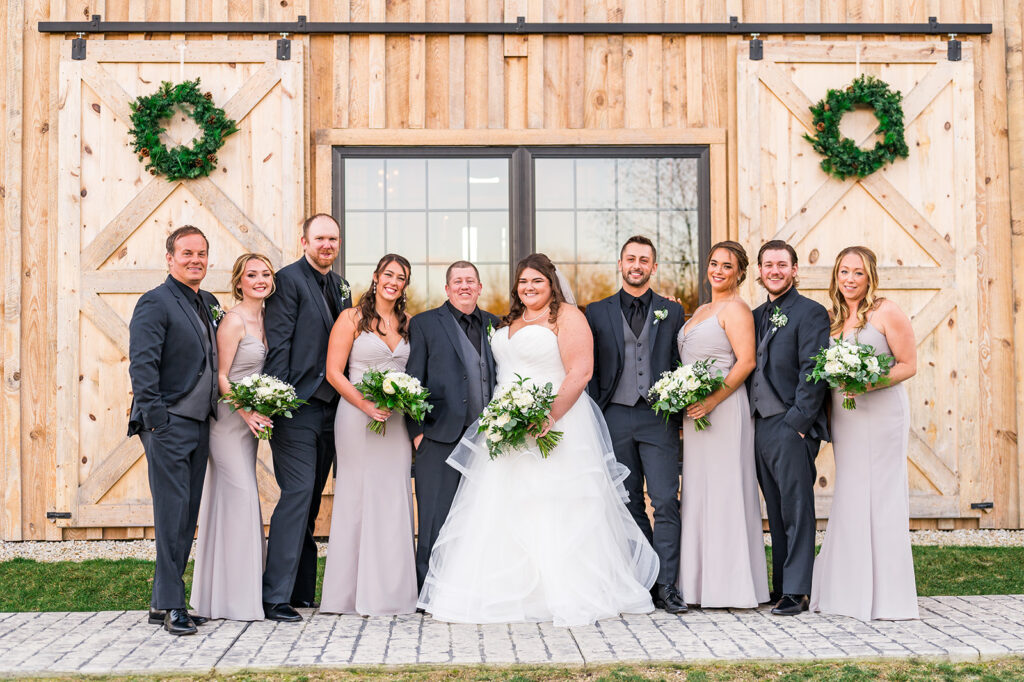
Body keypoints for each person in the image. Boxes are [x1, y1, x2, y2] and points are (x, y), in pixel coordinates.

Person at [418, 253, 659, 627]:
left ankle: (558, 590)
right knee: (503, 504)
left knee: (553, 503)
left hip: (556, 424)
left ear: (552, 284)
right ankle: (506, 588)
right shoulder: (509, 320)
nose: (529, 288)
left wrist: (548, 415)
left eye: (538, 282)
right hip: (506, 425)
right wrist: (509, 415)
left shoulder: (567, 317)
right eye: (524, 282)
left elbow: (581, 371)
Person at [810, 246, 919, 620]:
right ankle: (848, 590)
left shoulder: (886, 311)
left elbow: (908, 365)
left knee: (883, 494)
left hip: (883, 412)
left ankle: (888, 596)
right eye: (844, 272)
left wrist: (869, 384)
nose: (850, 279)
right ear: (835, 277)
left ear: (870, 276)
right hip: (847, 415)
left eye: (857, 273)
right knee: (853, 492)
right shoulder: (833, 319)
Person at [585, 235, 687, 614]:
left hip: (657, 417)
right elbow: (589, 365)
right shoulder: (596, 311)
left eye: (644, 259)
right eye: (631, 258)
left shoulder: (672, 311)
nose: (637, 265)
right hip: (615, 415)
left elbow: (679, 362)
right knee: (627, 504)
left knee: (664, 500)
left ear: (654, 267)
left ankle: (667, 585)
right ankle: (641, 581)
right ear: (620, 263)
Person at [128, 225, 219, 635]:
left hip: (201, 423)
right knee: (171, 514)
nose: (195, 259)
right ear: (170, 258)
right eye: (186, 253)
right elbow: (142, 366)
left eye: (201, 253)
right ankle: (172, 605)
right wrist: (157, 421)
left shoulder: (208, 302)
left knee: (186, 514)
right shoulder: (155, 302)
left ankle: (159, 602)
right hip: (168, 424)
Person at [262, 214, 351, 622]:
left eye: (332, 238)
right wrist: (280, 401)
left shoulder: (341, 285)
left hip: (335, 411)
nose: (326, 245)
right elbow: (278, 345)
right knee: (296, 495)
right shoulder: (288, 281)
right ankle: (273, 596)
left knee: (313, 501)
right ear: (304, 241)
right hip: (297, 408)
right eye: (319, 238)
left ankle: (300, 590)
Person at [320, 254, 418, 616]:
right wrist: (365, 405)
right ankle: (349, 595)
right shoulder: (351, 319)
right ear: (376, 277)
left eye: (401, 277)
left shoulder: (408, 322)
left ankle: (392, 593)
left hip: (395, 422)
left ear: (405, 285)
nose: (394, 281)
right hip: (357, 418)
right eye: (389, 274)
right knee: (357, 497)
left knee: (393, 497)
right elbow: (334, 372)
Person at [676, 241, 769, 608]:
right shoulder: (702, 308)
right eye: (713, 263)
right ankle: (699, 585)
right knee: (699, 492)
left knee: (727, 491)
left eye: (726, 266)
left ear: (740, 273)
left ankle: (731, 586)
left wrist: (712, 400)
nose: (717, 271)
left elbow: (745, 362)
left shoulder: (737, 309)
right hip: (697, 412)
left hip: (725, 409)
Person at [190, 253, 275, 622]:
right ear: (239, 281)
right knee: (239, 498)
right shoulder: (233, 321)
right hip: (228, 421)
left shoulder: (269, 319)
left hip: (250, 423)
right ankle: (234, 599)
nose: (260, 280)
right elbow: (221, 376)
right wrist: (246, 411)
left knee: (238, 502)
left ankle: (229, 595)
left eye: (266, 274)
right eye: (252, 275)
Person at [405, 261, 499, 589]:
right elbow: (413, 379)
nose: (464, 286)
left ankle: (472, 586)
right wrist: (417, 432)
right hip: (439, 435)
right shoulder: (425, 323)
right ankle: (427, 589)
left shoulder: (494, 324)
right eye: (457, 281)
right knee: (434, 517)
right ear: (447, 289)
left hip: (487, 441)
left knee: (480, 516)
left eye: (470, 281)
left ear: (479, 287)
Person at [749, 240, 830, 616]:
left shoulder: (810, 313)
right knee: (776, 510)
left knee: (797, 509)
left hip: (790, 424)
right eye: (768, 265)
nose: (775, 271)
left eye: (782, 264)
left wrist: (798, 424)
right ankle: (783, 585)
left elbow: (814, 372)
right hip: (759, 426)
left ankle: (798, 591)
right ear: (760, 271)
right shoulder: (755, 315)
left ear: (795, 270)